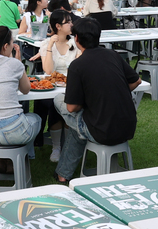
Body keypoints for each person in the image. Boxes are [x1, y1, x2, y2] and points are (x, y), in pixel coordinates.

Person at [55, 19, 141, 182]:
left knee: (59, 100)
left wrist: (90, 100)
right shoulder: (113, 55)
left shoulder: (77, 65)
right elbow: (136, 81)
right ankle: (62, 174)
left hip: (101, 130)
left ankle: (63, 174)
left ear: (77, 39)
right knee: (78, 126)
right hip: (128, 126)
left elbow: (72, 107)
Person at [34, 10, 80, 162]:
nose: (72, 24)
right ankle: (56, 147)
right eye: (68, 22)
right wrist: (50, 45)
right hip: (51, 87)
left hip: (71, 85)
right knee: (55, 104)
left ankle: (65, 146)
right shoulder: (46, 44)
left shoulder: (75, 42)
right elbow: (48, 71)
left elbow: (79, 66)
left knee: (66, 103)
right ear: (58, 26)